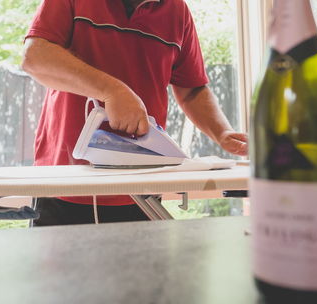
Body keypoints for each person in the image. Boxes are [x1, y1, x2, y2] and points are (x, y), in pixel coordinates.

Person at [22, 0, 248, 226]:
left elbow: (191, 88)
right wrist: (113, 91)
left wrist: (222, 132)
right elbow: (36, 57)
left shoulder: (177, 11)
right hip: (65, 184)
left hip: (144, 189)